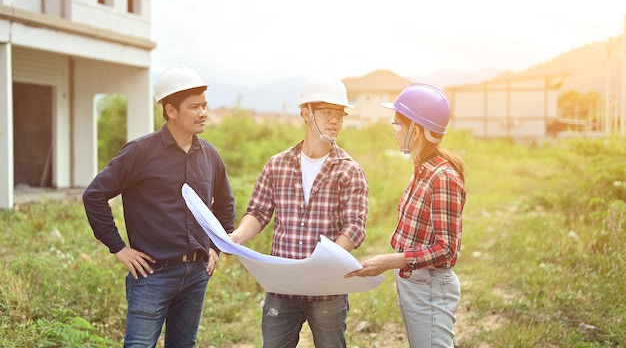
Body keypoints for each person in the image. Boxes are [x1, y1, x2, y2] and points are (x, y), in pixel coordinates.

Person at [82, 65, 236, 348]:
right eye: (194, 107)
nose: (203, 113)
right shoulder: (140, 152)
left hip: (196, 275)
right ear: (170, 110)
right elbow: (94, 195)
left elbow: (225, 205)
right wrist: (118, 248)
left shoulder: (210, 155)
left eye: (204, 106)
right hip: (152, 274)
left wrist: (216, 247)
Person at [229, 74, 369, 348]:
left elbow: (354, 226)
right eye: (327, 113)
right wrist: (236, 238)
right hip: (282, 287)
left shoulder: (349, 170)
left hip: (327, 288)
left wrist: (323, 263)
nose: (334, 121)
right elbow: (258, 212)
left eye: (339, 115)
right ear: (306, 113)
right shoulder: (277, 164)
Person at [345, 83, 466, 348]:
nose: (394, 130)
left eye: (398, 124)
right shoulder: (421, 169)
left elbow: (447, 250)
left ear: (417, 130)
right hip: (415, 282)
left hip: (430, 287)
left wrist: (391, 261)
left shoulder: (443, 178)